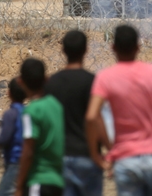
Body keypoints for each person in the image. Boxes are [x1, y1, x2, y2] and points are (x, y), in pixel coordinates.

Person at [85, 24, 152, 196]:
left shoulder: (105, 77)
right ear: (138, 47)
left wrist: (100, 154)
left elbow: (91, 116)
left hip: (126, 160)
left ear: (113, 48)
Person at [46, 30, 104, 196]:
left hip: (59, 157)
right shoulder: (92, 81)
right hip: (87, 156)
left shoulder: (52, 83)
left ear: (63, 50)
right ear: (86, 50)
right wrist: (106, 150)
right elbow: (95, 119)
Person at [16, 58, 66, 196]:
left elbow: (28, 150)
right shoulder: (56, 106)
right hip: (60, 181)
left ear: (21, 82)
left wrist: (19, 185)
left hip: (39, 181)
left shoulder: (31, 112)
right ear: (46, 79)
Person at [0, 77, 27, 196]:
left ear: (9, 94)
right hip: (29, 162)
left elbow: (5, 138)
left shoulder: (10, 114)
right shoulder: (29, 112)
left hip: (15, 162)